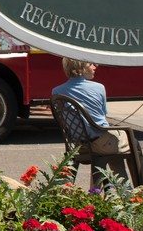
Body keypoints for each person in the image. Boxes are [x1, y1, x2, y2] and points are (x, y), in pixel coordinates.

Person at [52, 57, 135, 186]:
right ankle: (137, 186)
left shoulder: (57, 91)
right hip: (99, 141)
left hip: (77, 144)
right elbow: (102, 115)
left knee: (112, 149)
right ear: (81, 67)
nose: (95, 66)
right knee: (130, 143)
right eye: (91, 63)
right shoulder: (99, 87)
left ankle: (96, 191)